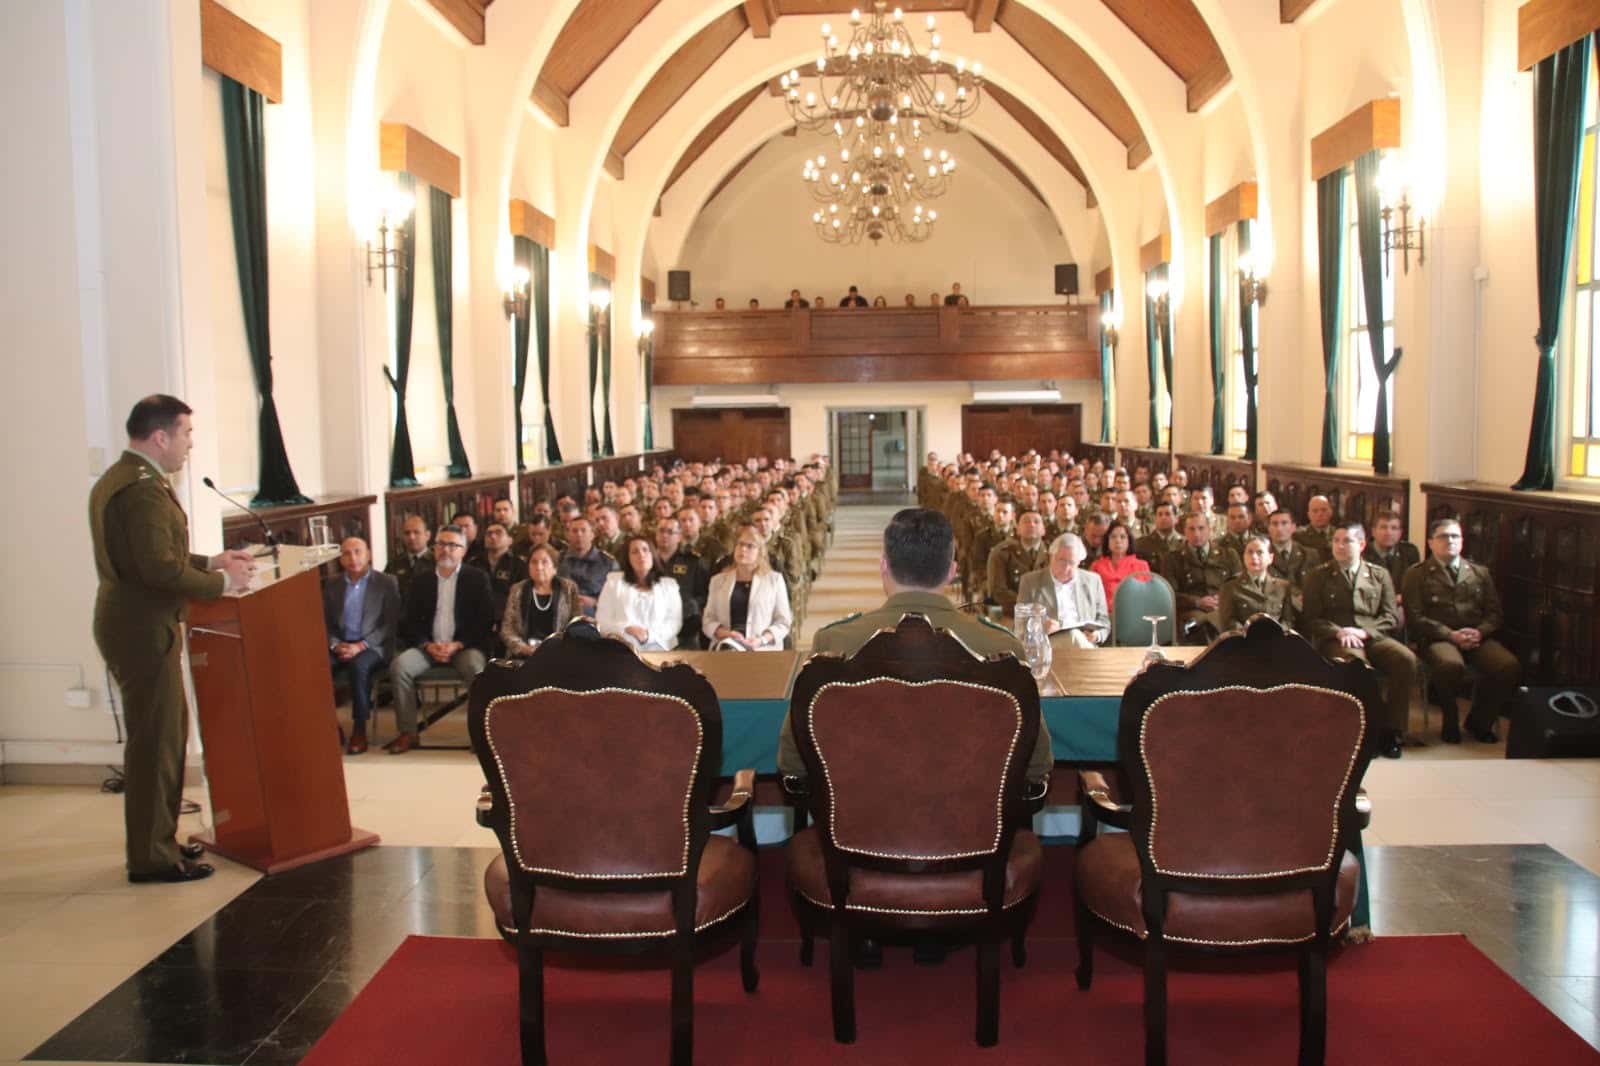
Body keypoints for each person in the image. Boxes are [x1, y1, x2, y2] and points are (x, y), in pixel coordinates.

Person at [89, 395, 255, 884]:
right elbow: (158, 570)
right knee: (155, 744)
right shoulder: (141, 489)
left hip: (139, 623)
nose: (190, 444)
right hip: (142, 628)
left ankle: (158, 840)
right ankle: (151, 858)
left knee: (165, 737)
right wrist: (222, 583)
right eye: (186, 433)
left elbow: (157, 555)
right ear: (160, 437)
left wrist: (211, 562)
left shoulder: (126, 477)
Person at [781, 507, 1048, 784]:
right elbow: (1037, 764)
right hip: (973, 808)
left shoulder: (834, 643)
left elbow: (793, 761)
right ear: (952, 571)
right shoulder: (1000, 647)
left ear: (884, 567)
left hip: (860, 808)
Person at [1300, 522, 1416, 759]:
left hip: (1372, 635)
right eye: (1336, 541)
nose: (1340, 546)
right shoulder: (1318, 575)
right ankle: (1363, 732)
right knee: (1357, 665)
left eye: (1347, 541)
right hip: (1336, 638)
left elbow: (1390, 616)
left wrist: (1364, 632)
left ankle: (1392, 731)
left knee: (1405, 659)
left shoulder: (1378, 574)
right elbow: (1311, 619)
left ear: (1362, 544)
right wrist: (1339, 632)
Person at [1403, 519, 1520, 743]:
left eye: (1455, 536)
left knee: (1507, 666)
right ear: (1431, 542)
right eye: (1443, 536)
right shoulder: (1417, 574)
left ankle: (1480, 722)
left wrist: (1480, 632)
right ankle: (1450, 718)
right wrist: (1450, 635)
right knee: (1450, 665)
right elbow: (1415, 618)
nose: (1450, 541)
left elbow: (1495, 613)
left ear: (1462, 541)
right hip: (1437, 638)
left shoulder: (1479, 572)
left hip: (1475, 637)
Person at [389, 526, 495, 753]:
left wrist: (458, 644)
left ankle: (480, 735)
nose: (446, 550)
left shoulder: (477, 579)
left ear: (463, 550)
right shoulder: (421, 580)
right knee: (400, 667)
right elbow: (408, 622)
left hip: (464, 647)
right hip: (428, 647)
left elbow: (485, 621)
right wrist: (427, 645)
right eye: (441, 544)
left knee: (477, 670)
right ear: (434, 548)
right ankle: (408, 732)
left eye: (453, 545)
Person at [322, 537, 401, 755]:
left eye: (358, 552)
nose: (353, 558)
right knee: (317, 666)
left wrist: (361, 646)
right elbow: (325, 622)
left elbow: (389, 624)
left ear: (368, 554)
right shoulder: (333, 585)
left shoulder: (386, 582)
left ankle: (359, 730)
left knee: (359, 667)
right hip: (341, 643)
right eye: (347, 553)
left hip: (373, 646)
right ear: (340, 559)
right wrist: (335, 644)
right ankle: (331, 725)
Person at [703, 523, 793, 649]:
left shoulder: (774, 580)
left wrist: (762, 640)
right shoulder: (718, 581)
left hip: (762, 648)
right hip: (726, 647)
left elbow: (783, 622)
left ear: (760, 552)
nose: (743, 549)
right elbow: (708, 620)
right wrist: (726, 634)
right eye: (740, 544)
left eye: (750, 546)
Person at [1015, 532, 1110, 647]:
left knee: (1075, 636)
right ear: (1051, 557)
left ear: (1079, 562)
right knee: (1073, 635)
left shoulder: (1093, 581)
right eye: (1062, 561)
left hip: (1085, 643)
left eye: (1071, 562)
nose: (1066, 568)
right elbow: (1020, 623)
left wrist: (1097, 635)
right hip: (1048, 645)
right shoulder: (1030, 582)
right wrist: (1040, 626)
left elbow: (1104, 621)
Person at [1162, 511, 1242, 643]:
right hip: (1191, 612)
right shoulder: (1172, 559)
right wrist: (1197, 602)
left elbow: (1239, 587)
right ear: (1184, 531)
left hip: (1223, 608)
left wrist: (1222, 599)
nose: (1196, 534)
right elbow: (1170, 594)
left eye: (1201, 528)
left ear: (1210, 529)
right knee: (1202, 627)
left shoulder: (1228, 555)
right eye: (1191, 529)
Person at [596, 535, 683, 651]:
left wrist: (648, 636)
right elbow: (602, 621)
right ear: (628, 558)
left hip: (660, 650)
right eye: (635, 552)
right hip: (622, 648)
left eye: (645, 550)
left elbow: (674, 622)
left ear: (653, 554)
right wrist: (626, 629)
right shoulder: (613, 583)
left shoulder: (669, 586)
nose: (641, 555)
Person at [501, 544, 580, 657]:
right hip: (524, 654)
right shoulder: (517, 589)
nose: (539, 567)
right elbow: (507, 629)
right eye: (534, 562)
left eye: (544, 562)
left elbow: (576, 626)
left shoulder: (568, 589)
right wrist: (524, 649)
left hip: (559, 654)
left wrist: (561, 648)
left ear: (555, 568)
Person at [1217, 533, 1295, 633]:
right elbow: (1228, 622)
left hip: (1275, 639)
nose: (1254, 557)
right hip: (1243, 640)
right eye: (1249, 552)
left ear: (1270, 558)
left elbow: (1288, 621)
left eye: (1259, 552)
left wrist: (1276, 634)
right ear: (1244, 557)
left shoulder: (1282, 587)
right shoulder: (1230, 587)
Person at [656, 515, 711, 649]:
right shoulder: (648, 561)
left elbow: (705, 595)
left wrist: (691, 605)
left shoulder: (692, 562)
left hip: (685, 629)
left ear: (679, 536)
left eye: (670, 532)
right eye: (661, 531)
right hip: (653, 628)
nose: (664, 535)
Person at [986, 507, 1050, 610]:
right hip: (1012, 612)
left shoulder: (1053, 554)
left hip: (1047, 611)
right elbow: (998, 591)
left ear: (1043, 530)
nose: (1031, 525)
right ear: (1018, 529)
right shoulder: (1002, 554)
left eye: (1036, 522)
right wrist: (1028, 606)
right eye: (1026, 522)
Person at [558, 516, 617, 615]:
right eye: (574, 531)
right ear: (568, 535)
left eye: (583, 530)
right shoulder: (558, 559)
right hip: (563, 611)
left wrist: (596, 602)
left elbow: (616, 597)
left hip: (597, 613)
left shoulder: (608, 562)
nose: (579, 534)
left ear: (592, 534)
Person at [1089, 520, 1150, 611]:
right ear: (1107, 541)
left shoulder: (1141, 566)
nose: (1118, 540)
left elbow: (1147, 597)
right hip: (1103, 614)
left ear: (1129, 541)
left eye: (1122, 537)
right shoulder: (1097, 566)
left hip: (1133, 613)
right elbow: (1090, 596)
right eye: (1113, 537)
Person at [1364, 510, 1421, 598]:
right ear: (1373, 531)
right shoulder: (1362, 553)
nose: (1388, 533)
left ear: (1400, 533)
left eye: (1394, 528)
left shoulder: (1409, 552)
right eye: (1383, 527)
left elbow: (1416, 585)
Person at [386, 514, 433, 598]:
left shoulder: (436, 561)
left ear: (427, 535)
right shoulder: (394, 563)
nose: (411, 537)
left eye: (416, 532)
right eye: (407, 533)